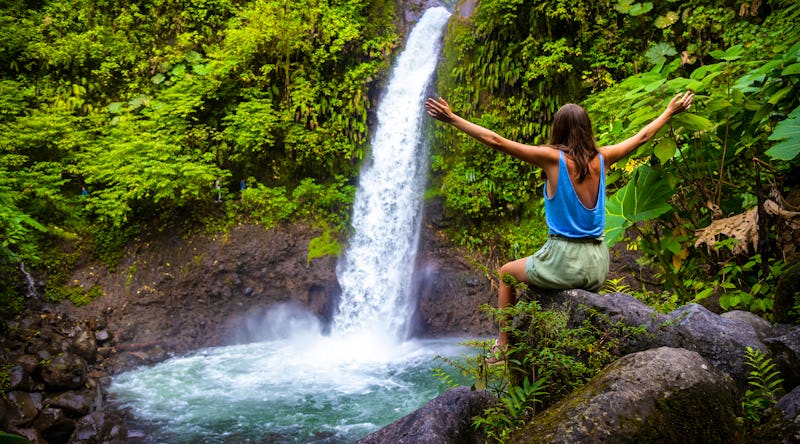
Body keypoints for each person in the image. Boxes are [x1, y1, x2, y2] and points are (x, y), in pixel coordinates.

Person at [424, 91, 694, 354]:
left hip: (565, 261)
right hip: (598, 262)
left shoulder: (552, 159)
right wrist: (669, 111)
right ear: (587, 129)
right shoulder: (604, 157)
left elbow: (496, 141)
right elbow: (643, 136)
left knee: (507, 273)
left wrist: (452, 119)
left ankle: (504, 346)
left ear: (558, 130)